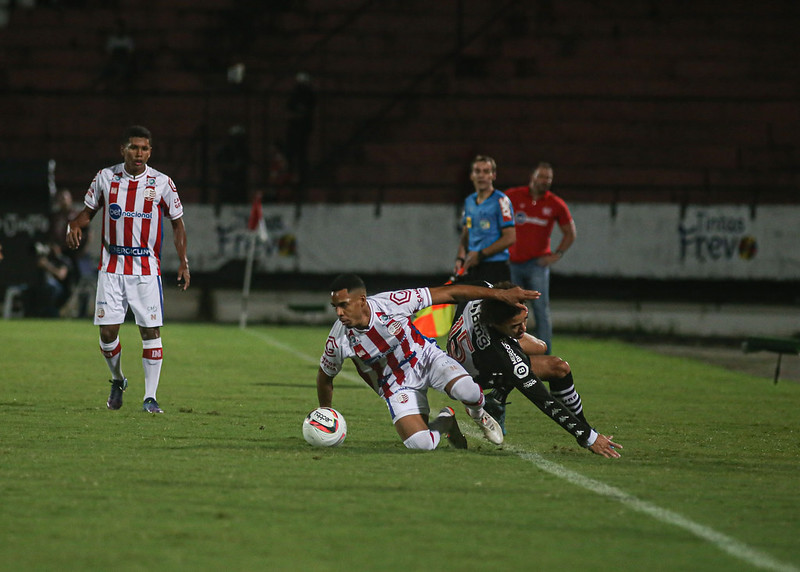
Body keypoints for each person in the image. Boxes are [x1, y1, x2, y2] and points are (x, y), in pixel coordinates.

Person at [316, 274, 539, 450]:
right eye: (335, 306)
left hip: (426, 359)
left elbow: (451, 293)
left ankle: (479, 415)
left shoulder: (392, 303)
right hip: (396, 386)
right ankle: (446, 422)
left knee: (469, 392)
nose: (339, 312)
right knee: (420, 445)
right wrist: (326, 413)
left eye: (344, 305)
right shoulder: (339, 340)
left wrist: (498, 294)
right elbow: (325, 377)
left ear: (362, 300)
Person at [66, 125, 190, 414]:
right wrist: (74, 223)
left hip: (146, 270)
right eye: (134, 147)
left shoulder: (161, 183)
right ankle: (118, 379)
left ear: (150, 151)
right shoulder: (106, 178)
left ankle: (150, 397)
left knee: (151, 331)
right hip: (111, 267)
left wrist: (183, 261)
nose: (139, 153)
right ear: (122, 149)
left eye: (144, 148)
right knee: (108, 332)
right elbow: (88, 212)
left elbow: (178, 222)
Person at [446, 282, 621, 458]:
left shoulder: (481, 291)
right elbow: (543, 399)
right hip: (474, 376)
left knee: (544, 350)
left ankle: (498, 396)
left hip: (466, 352)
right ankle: (494, 400)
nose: (523, 328)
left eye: (525, 320)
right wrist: (588, 436)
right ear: (495, 325)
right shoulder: (501, 353)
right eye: (515, 326)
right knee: (556, 368)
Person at [506, 162, 575, 354]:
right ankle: (513, 351)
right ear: (532, 176)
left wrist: (556, 254)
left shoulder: (555, 204)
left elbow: (570, 233)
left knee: (541, 311)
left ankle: (545, 354)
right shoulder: (513, 196)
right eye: (542, 176)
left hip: (537, 264)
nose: (544, 181)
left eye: (548, 178)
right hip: (513, 263)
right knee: (512, 309)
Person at [454, 155, 515, 284]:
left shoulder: (501, 201)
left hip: (496, 267)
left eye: (486, 171)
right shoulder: (469, 201)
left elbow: (510, 238)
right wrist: (460, 258)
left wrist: (480, 254)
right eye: (477, 171)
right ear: (471, 175)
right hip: (473, 266)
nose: (481, 175)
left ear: (493, 175)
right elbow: (466, 233)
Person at [285, 71, 316, 187]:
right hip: (295, 129)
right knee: (293, 154)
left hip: (303, 129)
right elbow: (288, 112)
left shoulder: (309, 96)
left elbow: (307, 111)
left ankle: (300, 179)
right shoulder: (294, 96)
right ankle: (292, 177)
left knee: (301, 155)